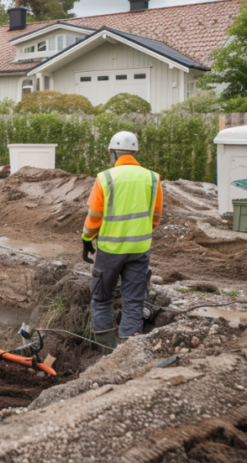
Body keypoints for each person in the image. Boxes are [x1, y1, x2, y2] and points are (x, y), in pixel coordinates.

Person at [81, 131, 162, 353]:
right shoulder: (152, 178)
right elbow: (155, 217)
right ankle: (127, 354)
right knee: (133, 302)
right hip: (139, 249)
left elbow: (94, 216)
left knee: (101, 298)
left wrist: (87, 239)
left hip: (110, 250)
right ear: (135, 152)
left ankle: (106, 352)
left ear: (112, 152)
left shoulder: (105, 177)